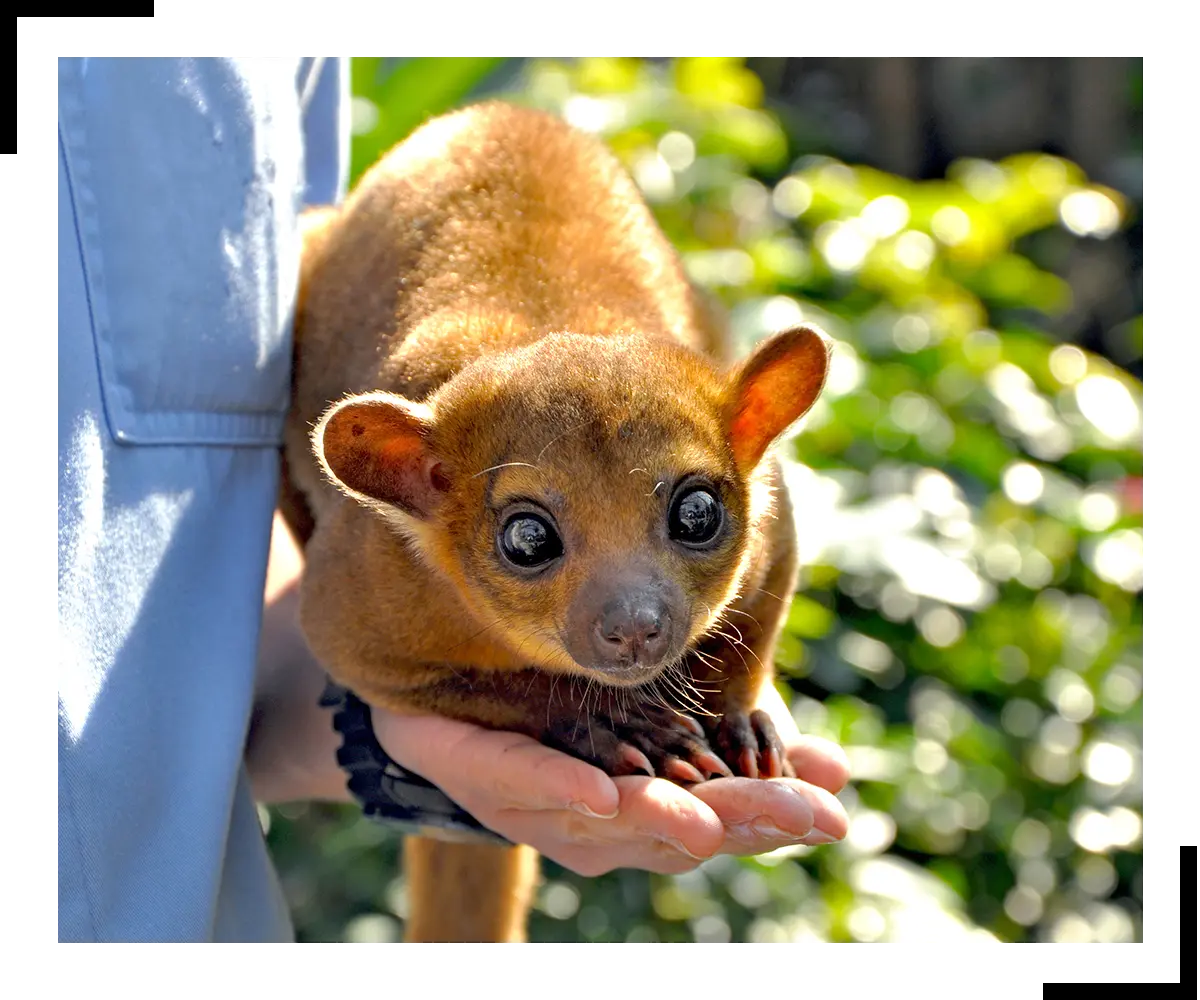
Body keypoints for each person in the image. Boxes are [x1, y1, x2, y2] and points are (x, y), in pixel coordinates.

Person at [55, 55, 850, 944]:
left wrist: (732, 689)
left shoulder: (717, 455)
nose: (635, 619)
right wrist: (545, 711)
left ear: (752, 431)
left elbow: (764, 530)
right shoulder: (414, 520)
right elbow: (347, 634)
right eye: (532, 539)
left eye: (693, 518)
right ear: (412, 482)